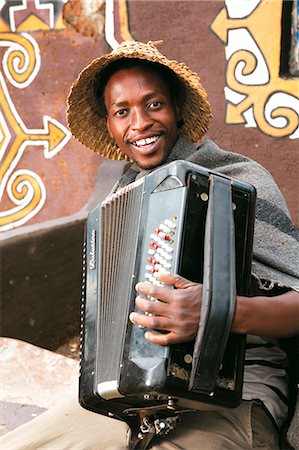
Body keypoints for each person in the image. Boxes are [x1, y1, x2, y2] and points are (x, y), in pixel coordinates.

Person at [2, 40, 299, 450]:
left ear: (176, 109)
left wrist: (214, 311)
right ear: (110, 124)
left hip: (239, 393)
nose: (139, 123)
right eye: (122, 112)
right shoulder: (122, 198)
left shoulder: (235, 179)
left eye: (153, 104)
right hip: (135, 395)